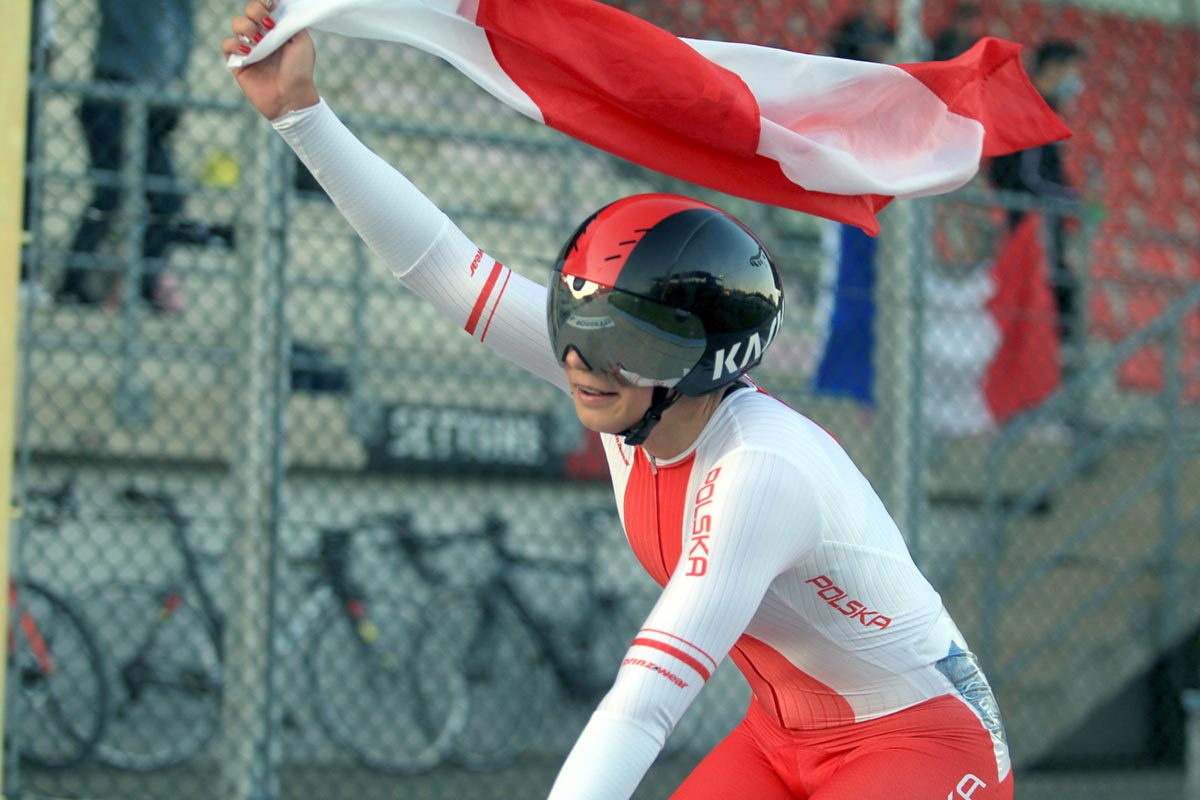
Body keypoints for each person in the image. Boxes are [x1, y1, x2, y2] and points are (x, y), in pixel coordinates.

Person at [223, 7, 1012, 799]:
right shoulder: (624, 376)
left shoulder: (760, 471)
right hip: (782, 738)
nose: (582, 364)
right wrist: (300, 113)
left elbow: (643, 707)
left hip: (922, 743)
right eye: (575, 326)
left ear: (705, 362)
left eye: (625, 342)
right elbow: (445, 267)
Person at [57, 0, 231, 313]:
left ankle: (146, 284)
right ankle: (73, 285)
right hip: (113, 95)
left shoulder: (180, 11)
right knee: (111, 193)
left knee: (166, 203)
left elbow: (171, 52)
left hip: (152, 106)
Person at [988, 40, 1085, 346]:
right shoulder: (1029, 107)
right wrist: (1071, 199)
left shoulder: (1048, 109)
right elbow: (1029, 176)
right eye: (1072, 71)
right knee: (1049, 287)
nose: (1076, 81)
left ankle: (1056, 360)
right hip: (1031, 221)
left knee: (1062, 287)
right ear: (1053, 69)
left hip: (1044, 220)